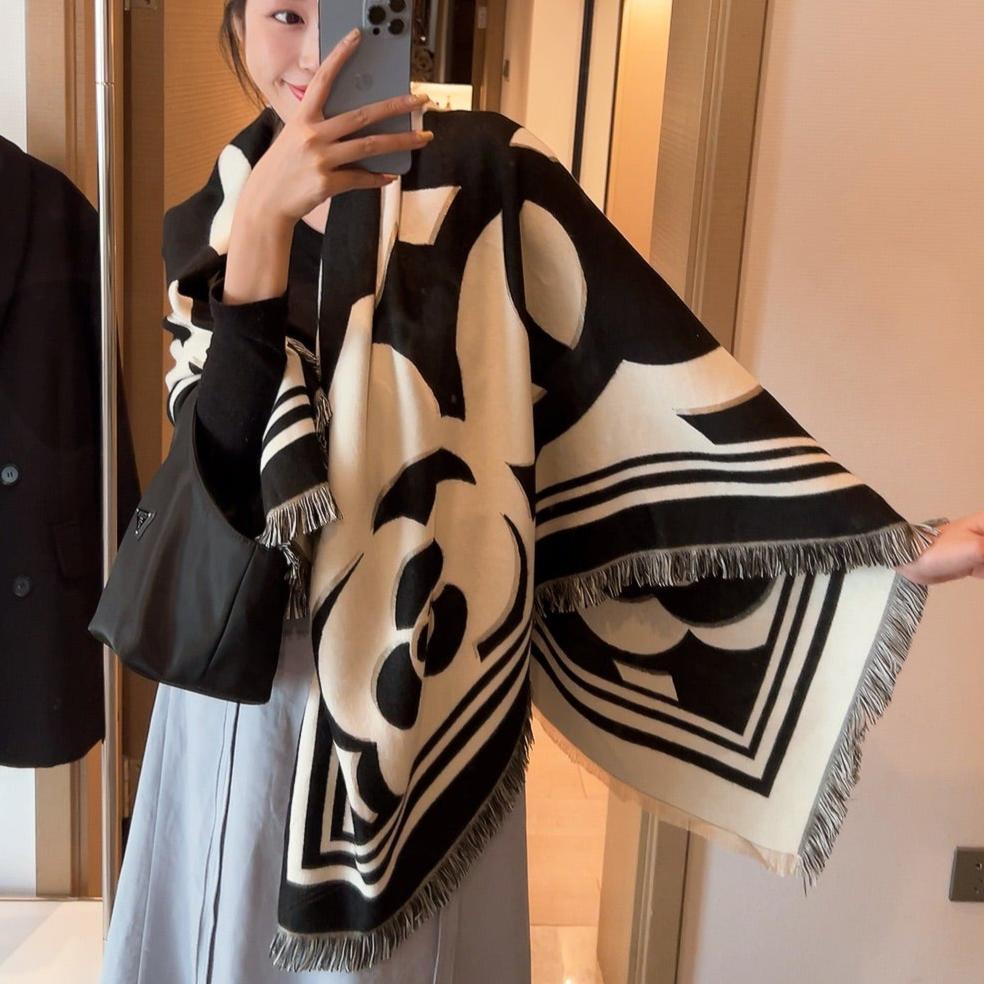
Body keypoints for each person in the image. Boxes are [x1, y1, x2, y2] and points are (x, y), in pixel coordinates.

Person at [100, 2, 984, 982]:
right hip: (252, 689)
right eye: (283, 14)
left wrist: (873, 543)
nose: (318, 50)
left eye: (344, 7)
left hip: (431, 684)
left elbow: (646, 394)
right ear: (236, 25)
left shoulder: (488, 172)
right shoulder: (213, 213)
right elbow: (223, 468)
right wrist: (264, 226)